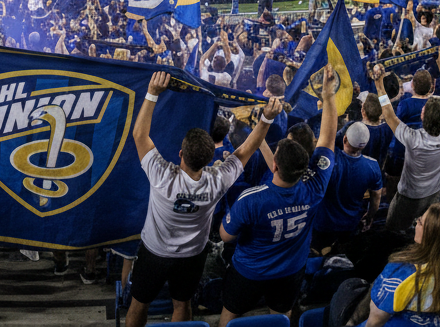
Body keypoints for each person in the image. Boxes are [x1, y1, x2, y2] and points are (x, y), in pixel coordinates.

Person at [125, 70, 282, 327]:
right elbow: (246, 150)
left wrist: (153, 93)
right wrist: (265, 119)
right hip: (192, 255)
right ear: (210, 160)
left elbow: (139, 135)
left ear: (180, 154)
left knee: (139, 303)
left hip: (155, 252)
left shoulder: (162, 176)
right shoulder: (216, 180)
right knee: (182, 304)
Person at [217, 63, 338, 324]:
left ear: (274, 165)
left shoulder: (251, 200)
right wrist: (329, 97)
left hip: (249, 270)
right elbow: (328, 139)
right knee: (281, 317)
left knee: (229, 315)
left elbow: (225, 235)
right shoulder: (315, 187)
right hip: (291, 270)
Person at [371, 48, 440, 232]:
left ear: (424, 118)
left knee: (394, 228)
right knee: (426, 227)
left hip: (409, 194)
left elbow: (389, 115)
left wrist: (379, 85)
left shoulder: (414, 138)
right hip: (434, 190)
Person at [310, 121, 384, 250]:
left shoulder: (329, 159)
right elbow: (376, 197)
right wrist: (370, 216)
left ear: (344, 138)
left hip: (323, 223)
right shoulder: (373, 166)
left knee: (316, 255)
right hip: (350, 224)